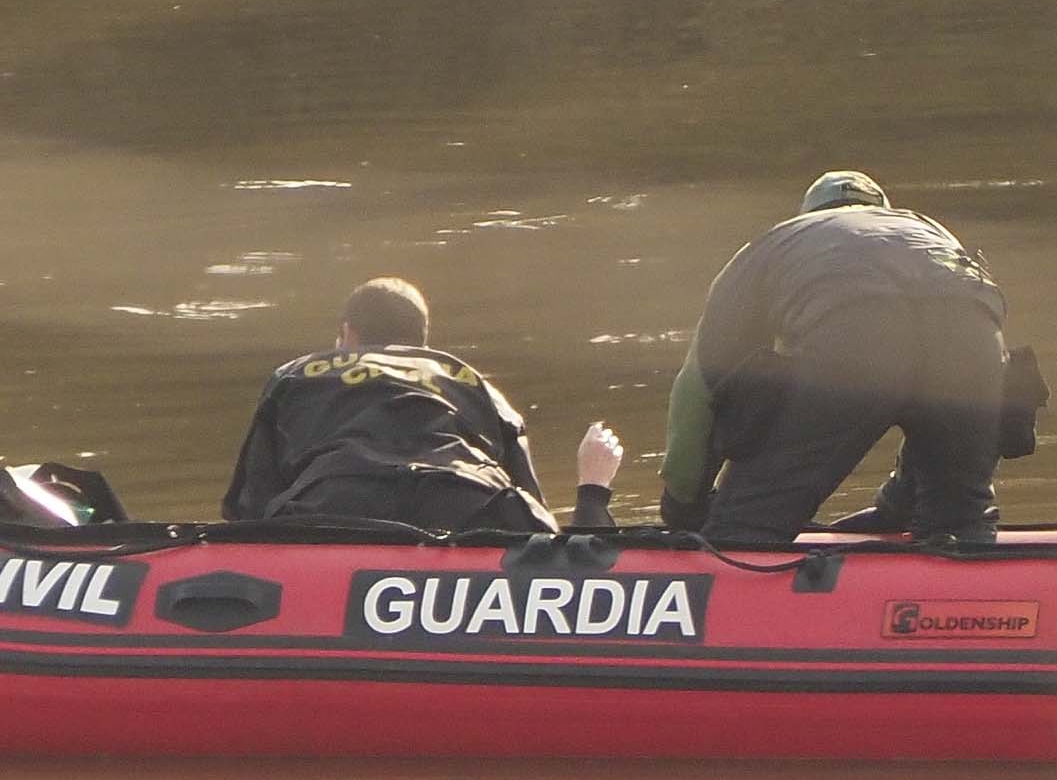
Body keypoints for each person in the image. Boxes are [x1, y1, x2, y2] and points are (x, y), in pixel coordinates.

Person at [659, 170, 1008, 543]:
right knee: (959, 524)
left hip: (854, 336)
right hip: (974, 338)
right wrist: (897, 507)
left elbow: (700, 385)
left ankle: (739, 562)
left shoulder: (774, 245)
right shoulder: (929, 232)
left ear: (807, 215)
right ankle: (972, 568)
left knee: (745, 530)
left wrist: (685, 504)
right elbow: (934, 378)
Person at [224, 278, 622, 533]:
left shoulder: (298, 374)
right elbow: (531, 508)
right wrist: (590, 501)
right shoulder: (473, 382)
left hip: (338, 499)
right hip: (468, 497)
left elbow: (249, 507)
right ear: (423, 344)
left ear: (347, 335)